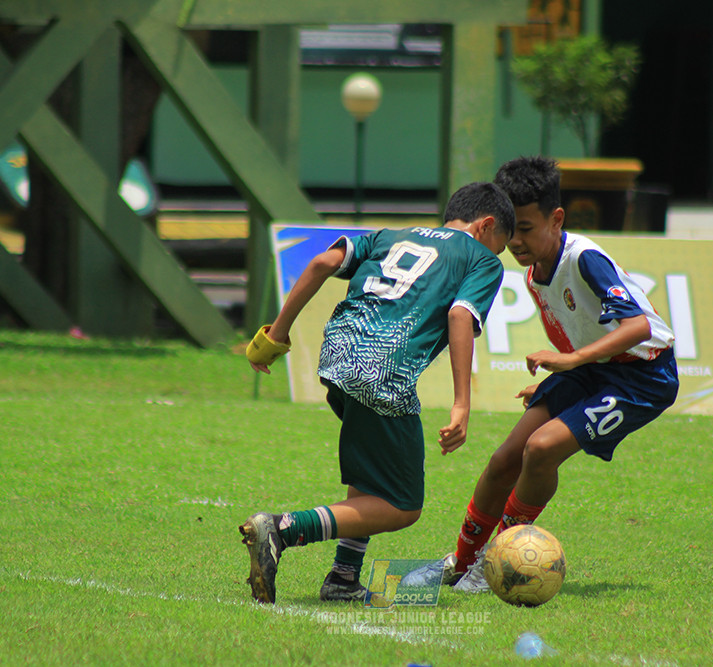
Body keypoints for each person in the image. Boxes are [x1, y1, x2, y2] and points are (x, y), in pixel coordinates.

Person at [404, 155, 679, 591]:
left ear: (557, 218)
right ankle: (459, 563)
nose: (516, 241)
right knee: (502, 460)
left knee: (541, 448)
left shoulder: (584, 257)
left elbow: (639, 327)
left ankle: (495, 561)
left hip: (643, 376)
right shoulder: (535, 274)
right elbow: (580, 326)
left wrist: (569, 361)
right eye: (511, 230)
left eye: (527, 229)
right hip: (592, 369)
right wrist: (560, 376)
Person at [239, 182, 516, 604]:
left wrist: (277, 335)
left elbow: (319, 263)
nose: (495, 255)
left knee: (373, 477)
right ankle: (282, 529)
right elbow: (461, 314)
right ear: (487, 225)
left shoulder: (392, 235)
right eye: (499, 246)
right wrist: (462, 403)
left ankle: (343, 578)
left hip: (336, 354)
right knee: (403, 505)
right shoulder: (480, 259)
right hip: (382, 372)